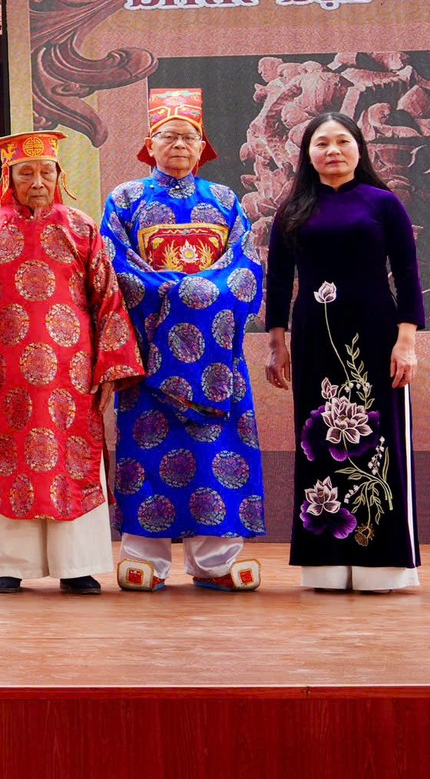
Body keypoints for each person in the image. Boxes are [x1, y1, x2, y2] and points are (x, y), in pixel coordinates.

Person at [0, 130, 143, 593]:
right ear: (9, 177)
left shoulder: (81, 226)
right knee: (9, 458)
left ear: (59, 174)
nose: (37, 181)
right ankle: (9, 564)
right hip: (5, 372)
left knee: (72, 459)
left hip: (72, 372)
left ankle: (76, 564)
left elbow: (108, 300)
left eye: (46, 171)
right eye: (26, 173)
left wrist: (109, 367)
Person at [103, 89, 266, 593]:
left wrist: (197, 296)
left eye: (188, 137)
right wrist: (179, 292)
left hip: (215, 357)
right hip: (151, 353)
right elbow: (117, 265)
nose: (178, 145)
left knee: (217, 452)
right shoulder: (125, 199)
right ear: (149, 145)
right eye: (168, 136)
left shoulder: (224, 201)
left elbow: (243, 269)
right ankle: (144, 559)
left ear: (203, 148)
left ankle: (216, 560)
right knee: (147, 451)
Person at [265, 111, 422, 592]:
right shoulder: (292, 209)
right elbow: (278, 283)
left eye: (341, 142)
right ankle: (326, 562)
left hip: (375, 335)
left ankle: (382, 564)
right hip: (315, 336)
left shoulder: (384, 203)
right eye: (321, 144)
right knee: (319, 441)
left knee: (379, 442)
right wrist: (277, 344)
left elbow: (409, 276)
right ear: (307, 154)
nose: (332, 151)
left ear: (358, 148)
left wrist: (408, 340)